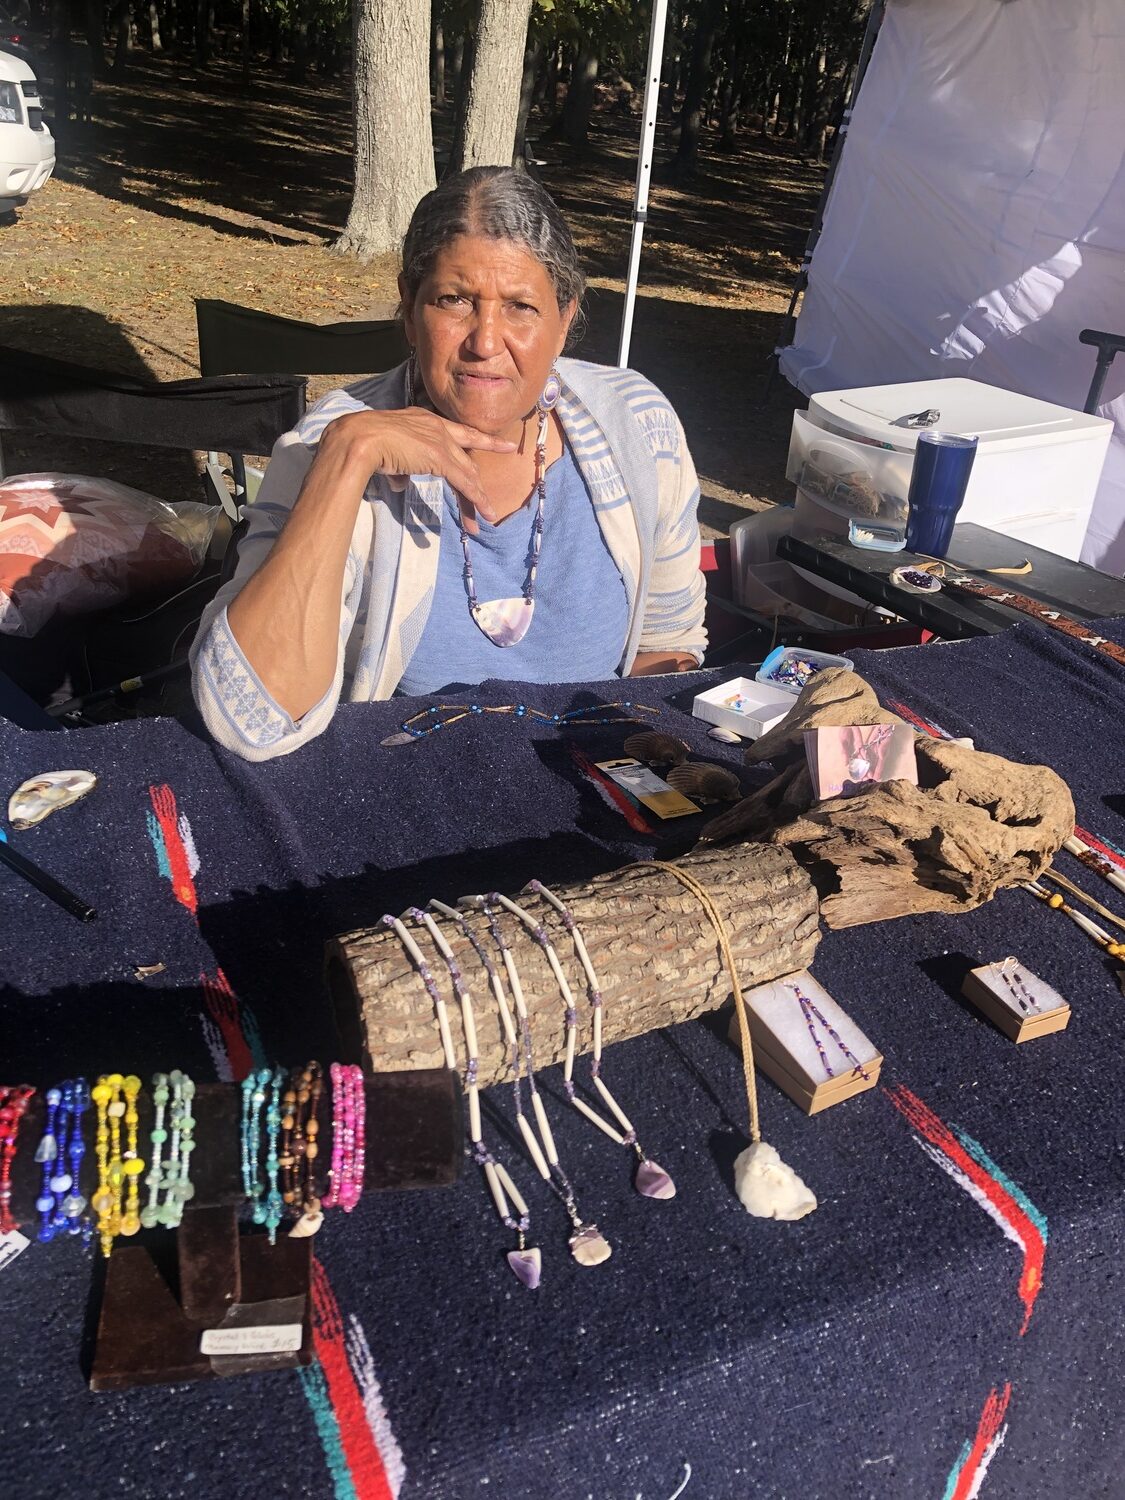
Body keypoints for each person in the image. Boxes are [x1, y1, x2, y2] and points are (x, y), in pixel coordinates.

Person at [191, 166, 707, 761]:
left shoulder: (639, 427)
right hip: (397, 801)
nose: (485, 342)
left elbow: (666, 646)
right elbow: (249, 721)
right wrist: (345, 463)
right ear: (409, 311)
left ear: (565, 320)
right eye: (454, 301)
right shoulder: (330, 444)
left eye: (520, 307)